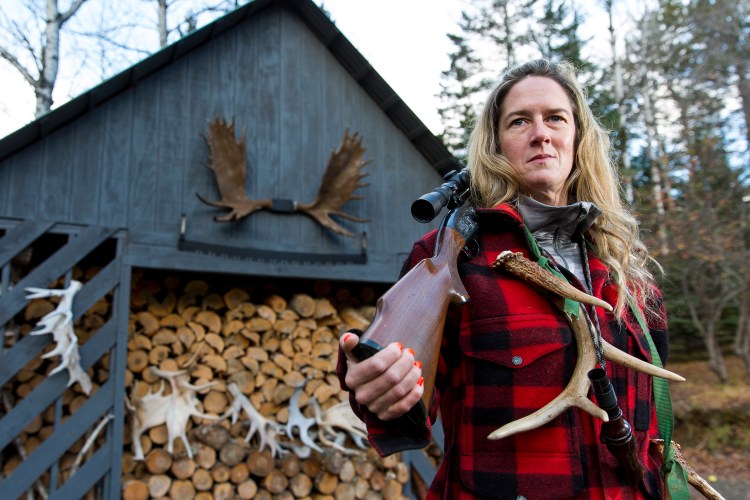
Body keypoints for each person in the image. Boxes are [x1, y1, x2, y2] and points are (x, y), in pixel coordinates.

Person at [337, 59, 671, 499]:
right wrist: (378, 380)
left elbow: (654, 425)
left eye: (555, 118)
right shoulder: (450, 259)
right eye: (519, 122)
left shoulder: (629, 272)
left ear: (578, 136)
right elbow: (398, 392)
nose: (541, 133)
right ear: (496, 145)